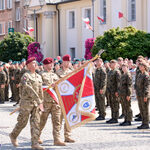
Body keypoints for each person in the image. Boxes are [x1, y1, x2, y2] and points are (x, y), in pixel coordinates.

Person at [9, 57, 44, 150]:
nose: (35, 64)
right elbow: (28, 88)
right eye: (33, 63)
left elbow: (40, 91)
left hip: (36, 103)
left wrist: (41, 101)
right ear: (28, 66)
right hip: (26, 103)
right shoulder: (25, 76)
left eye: (36, 63)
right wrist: (38, 99)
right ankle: (13, 135)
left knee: (36, 123)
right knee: (22, 122)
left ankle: (35, 143)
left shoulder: (39, 76)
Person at [39, 57, 65, 146]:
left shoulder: (55, 75)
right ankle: (36, 136)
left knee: (57, 121)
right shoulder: (41, 75)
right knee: (42, 120)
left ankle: (57, 139)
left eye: (52, 64)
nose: (52, 65)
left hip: (55, 101)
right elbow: (39, 87)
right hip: (45, 102)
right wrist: (49, 86)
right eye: (50, 64)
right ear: (45, 65)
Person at [56, 54, 75, 143]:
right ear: (63, 62)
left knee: (68, 118)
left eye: (69, 61)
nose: (68, 63)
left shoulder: (72, 72)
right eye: (66, 61)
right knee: (59, 118)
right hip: (60, 98)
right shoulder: (58, 72)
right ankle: (57, 136)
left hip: (69, 98)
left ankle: (67, 135)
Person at [136, 61, 150, 129]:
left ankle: (146, 123)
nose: (140, 67)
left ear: (145, 67)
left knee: (145, 109)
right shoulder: (140, 74)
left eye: (141, 66)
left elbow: (147, 86)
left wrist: (145, 95)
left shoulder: (146, 75)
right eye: (139, 66)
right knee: (141, 109)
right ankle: (143, 123)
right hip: (139, 94)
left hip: (144, 94)